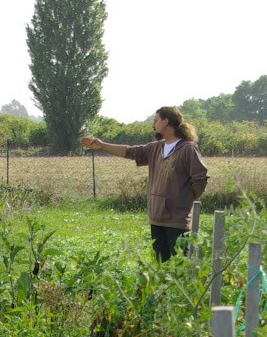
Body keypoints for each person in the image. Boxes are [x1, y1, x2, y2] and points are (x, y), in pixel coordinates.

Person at [80, 107, 208, 262]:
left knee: (179, 266)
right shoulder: (156, 147)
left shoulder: (188, 148)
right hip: (156, 217)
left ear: (166, 121)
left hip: (178, 220)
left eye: (156, 120)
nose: (153, 124)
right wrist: (102, 145)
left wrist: (186, 198)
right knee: (161, 265)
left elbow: (200, 179)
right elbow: (130, 151)